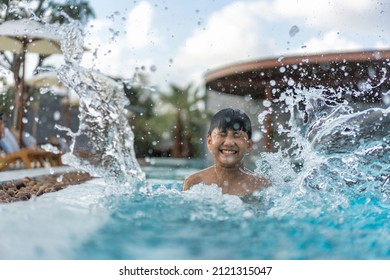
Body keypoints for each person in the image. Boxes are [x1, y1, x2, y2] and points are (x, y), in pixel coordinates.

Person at [182, 108, 270, 196]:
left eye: (237, 135)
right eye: (222, 134)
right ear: (209, 141)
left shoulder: (262, 186)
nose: (229, 143)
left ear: (249, 145)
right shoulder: (193, 183)